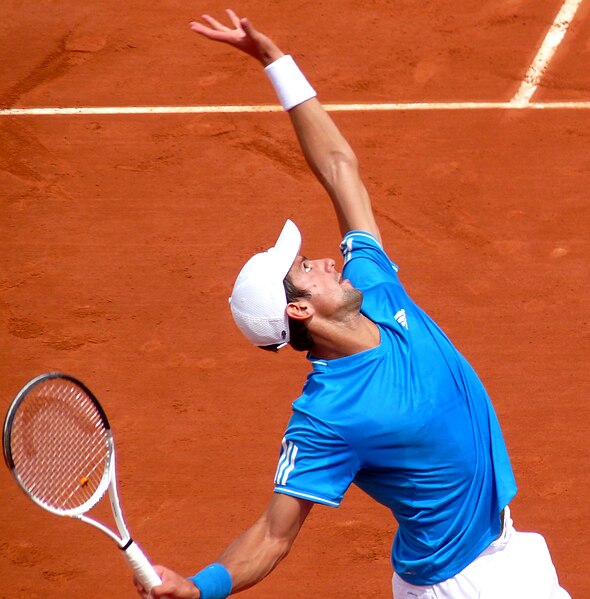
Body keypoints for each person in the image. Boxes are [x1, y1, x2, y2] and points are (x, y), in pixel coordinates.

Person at [135, 10, 571, 599]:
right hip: (463, 583)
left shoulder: (376, 286)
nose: (324, 260)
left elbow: (341, 171)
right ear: (298, 310)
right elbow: (273, 533)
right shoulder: (327, 416)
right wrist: (200, 587)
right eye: (304, 268)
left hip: (506, 548)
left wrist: (275, 62)